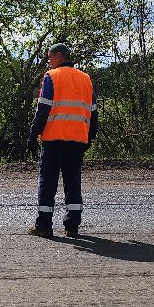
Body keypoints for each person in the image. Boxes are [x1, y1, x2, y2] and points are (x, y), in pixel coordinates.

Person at [28, 42, 97, 237]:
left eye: (49, 57)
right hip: (77, 140)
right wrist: (90, 136)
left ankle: (44, 226)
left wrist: (33, 134)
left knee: (48, 182)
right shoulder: (86, 79)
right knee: (73, 182)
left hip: (54, 139)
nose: (48, 61)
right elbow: (93, 112)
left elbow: (43, 109)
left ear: (59, 56)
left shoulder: (52, 76)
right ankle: (72, 226)